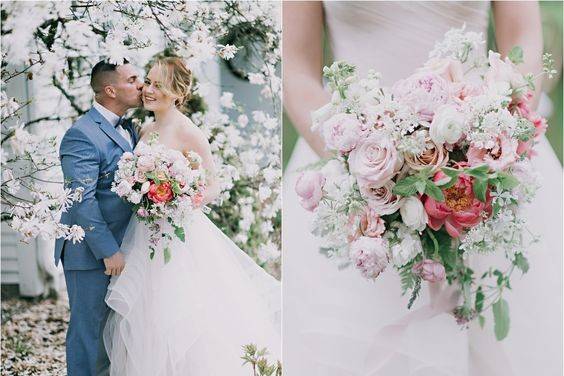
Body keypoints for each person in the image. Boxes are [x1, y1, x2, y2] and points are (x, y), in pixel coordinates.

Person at [282, 2, 562, 375]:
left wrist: (489, 133)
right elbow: (296, 68)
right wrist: (366, 166)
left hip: (482, 165)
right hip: (352, 169)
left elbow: (524, 38)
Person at [102, 57, 281, 375]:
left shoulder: (188, 132)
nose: (149, 90)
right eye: (149, 82)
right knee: (147, 313)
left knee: (182, 311)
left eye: (158, 85)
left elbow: (213, 184)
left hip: (178, 234)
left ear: (176, 93)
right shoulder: (146, 130)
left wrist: (180, 197)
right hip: (145, 232)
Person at [55, 60, 143, 375]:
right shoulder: (81, 135)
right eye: (132, 79)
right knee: (88, 334)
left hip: (127, 247)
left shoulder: (131, 127)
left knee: (114, 336)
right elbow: (81, 199)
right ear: (110, 89)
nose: (140, 84)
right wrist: (108, 250)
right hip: (91, 253)